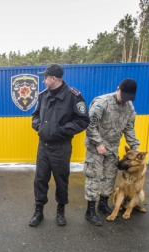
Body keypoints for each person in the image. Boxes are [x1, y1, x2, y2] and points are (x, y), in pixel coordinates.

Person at [30, 64, 90, 227]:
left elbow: (83, 120)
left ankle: (60, 211)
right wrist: (38, 126)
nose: (43, 81)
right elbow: (35, 116)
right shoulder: (43, 96)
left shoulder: (74, 97)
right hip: (43, 146)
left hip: (61, 147)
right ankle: (38, 211)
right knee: (40, 179)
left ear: (54, 79)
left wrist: (61, 131)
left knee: (61, 180)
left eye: (45, 78)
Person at [84, 78, 140, 226]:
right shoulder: (102, 103)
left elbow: (129, 129)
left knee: (109, 177)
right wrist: (98, 143)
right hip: (96, 147)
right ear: (118, 89)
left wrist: (135, 147)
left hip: (112, 148)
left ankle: (103, 204)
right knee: (94, 176)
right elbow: (90, 126)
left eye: (129, 98)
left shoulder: (129, 107)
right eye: (123, 97)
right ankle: (90, 211)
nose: (125, 101)